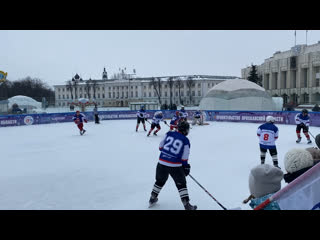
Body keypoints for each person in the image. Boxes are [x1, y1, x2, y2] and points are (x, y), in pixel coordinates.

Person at [148, 121, 197, 210]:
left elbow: (160, 147)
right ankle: (186, 204)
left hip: (161, 163)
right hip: (175, 166)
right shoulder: (185, 140)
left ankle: (152, 198)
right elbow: (185, 157)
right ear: (185, 130)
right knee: (181, 184)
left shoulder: (169, 133)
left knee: (159, 181)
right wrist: (185, 166)